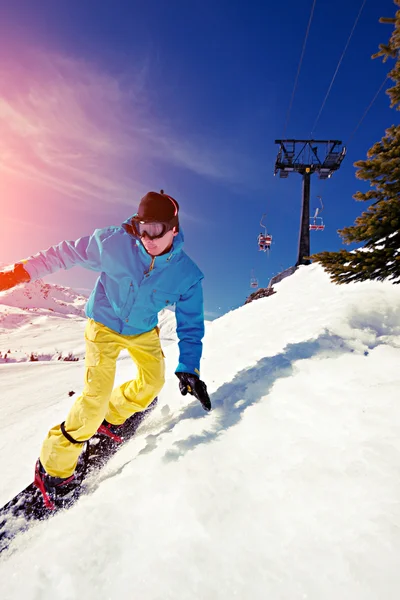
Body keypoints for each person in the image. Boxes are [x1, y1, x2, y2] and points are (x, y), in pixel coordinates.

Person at [0, 191, 211, 507]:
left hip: (143, 331)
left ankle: (112, 417)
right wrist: (19, 273)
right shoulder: (114, 244)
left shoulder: (187, 275)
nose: (148, 239)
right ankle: (54, 470)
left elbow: (191, 325)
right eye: (142, 228)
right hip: (103, 325)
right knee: (93, 400)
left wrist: (189, 367)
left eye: (156, 230)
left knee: (153, 383)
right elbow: (64, 253)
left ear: (174, 229)